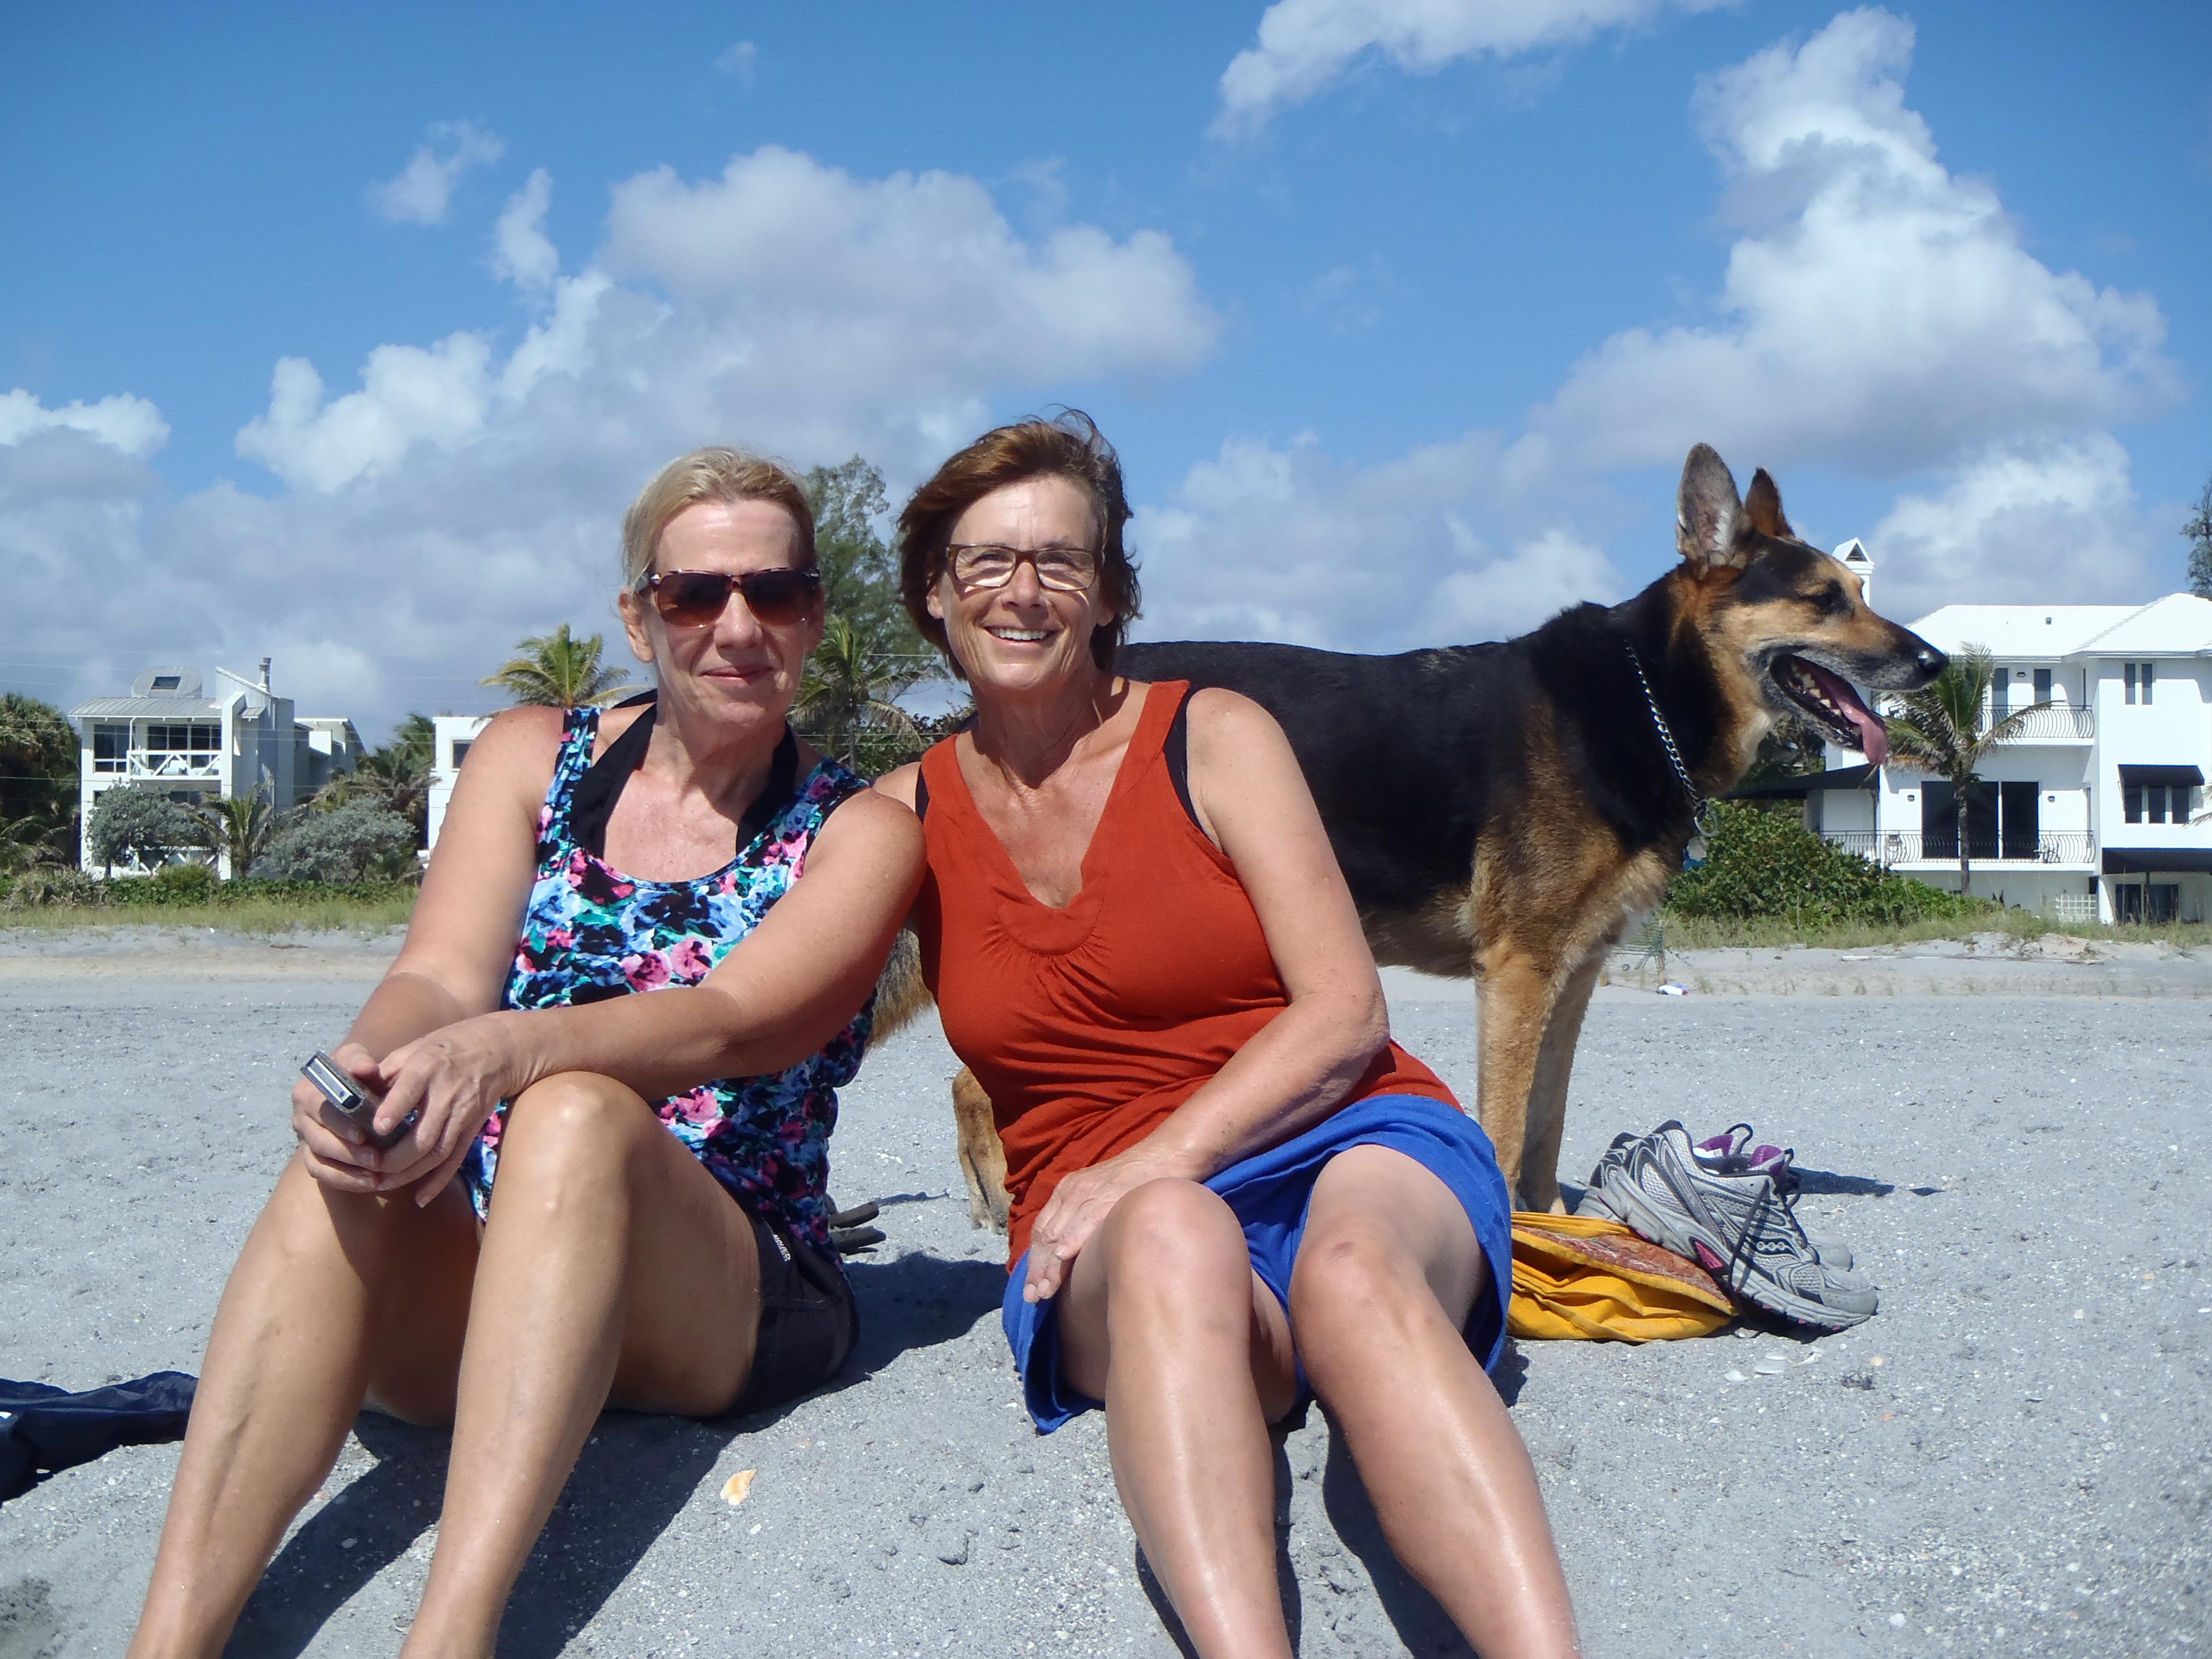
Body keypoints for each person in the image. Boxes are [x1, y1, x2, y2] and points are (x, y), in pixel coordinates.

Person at [128, 448, 924, 1659]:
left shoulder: (858, 832)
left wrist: (510, 1053)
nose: (737, 625)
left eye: (777, 593)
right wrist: (368, 1062)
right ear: (638, 615)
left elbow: (730, 1021)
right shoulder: (529, 758)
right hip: (497, 1285)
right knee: (345, 1153)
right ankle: (170, 1640)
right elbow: (438, 976)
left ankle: (451, 1636)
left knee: (580, 1113)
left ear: (815, 617)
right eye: (694, 595)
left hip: (716, 1293)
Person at [877, 413, 1581, 1658]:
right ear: (934, 594)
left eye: (1059, 559)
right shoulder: (899, 815)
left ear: (1109, 592)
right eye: (984, 561)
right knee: (1169, 1235)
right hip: (1120, 1216)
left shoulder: (1215, 735)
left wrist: (1151, 1157)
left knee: (1354, 1279)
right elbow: (750, 1007)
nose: (1021, 590)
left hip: (1341, 1127)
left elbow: (1344, 1011)